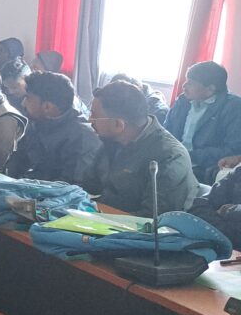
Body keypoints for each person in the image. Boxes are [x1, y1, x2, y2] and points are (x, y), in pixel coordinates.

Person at [84, 81, 198, 216]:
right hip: (102, 217)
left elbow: (152, 218)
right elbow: (89, 186)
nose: (90, 120)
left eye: (94, 116)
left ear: (118, 124)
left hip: (131, 226)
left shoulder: (170, 156)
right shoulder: (111, 139)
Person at [6, 72, 102, 182]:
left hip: (55, 191)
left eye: (28, 98)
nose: (23, 104)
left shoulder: (82, 137)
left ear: (47, 107)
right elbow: (17, 163)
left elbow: (71, 185)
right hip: (33, 186)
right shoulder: (36, 123)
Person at [163, 62, 241, 183]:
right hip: (172, 161)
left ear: (210, 89)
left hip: (203, 168)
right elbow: (165, 132)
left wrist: (189, 155)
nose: (184, 85)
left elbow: (232, 149)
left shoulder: (233, 108)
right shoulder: (183, 101)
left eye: (191, 83)